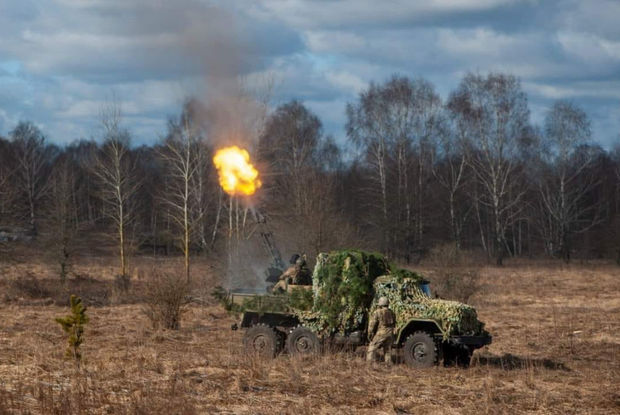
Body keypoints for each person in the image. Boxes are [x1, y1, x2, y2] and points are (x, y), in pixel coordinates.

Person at [366, 297, 395, 363]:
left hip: (382, 332)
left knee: (372, 347)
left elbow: (372, 324)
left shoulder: (377, 312)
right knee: (387, 350)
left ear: (380, 304)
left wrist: (369, 334)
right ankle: (388, 364)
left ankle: (369, 363)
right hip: (390, 333)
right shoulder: (392, 312)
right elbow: (394, 323)